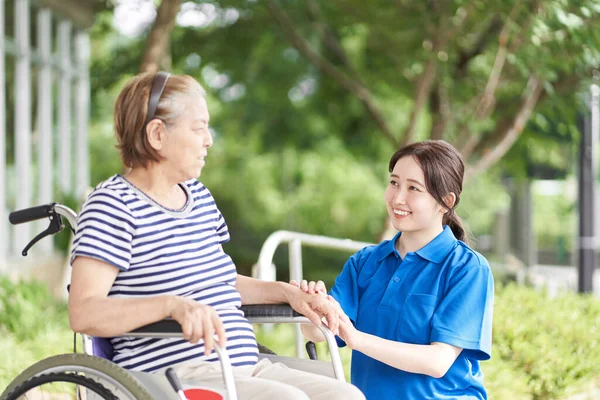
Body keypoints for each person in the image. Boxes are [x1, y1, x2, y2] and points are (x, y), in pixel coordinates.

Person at [67, 71, 364, 400]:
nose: (208, 139)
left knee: (346, 395)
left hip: (243, 367)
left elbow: (220, 282)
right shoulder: (113, 205)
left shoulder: (198, 196)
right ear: (157, 134)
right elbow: (84, 312)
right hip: (175, 376)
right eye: (198, 128)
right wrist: (171, 306)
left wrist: (287, 292)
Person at [297, 140, 494, 399]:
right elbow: (318, 333)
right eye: (394, 183)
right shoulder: (364, 263)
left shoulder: (467, 269)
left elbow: (438, 361)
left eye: (414, 188)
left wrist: (358, 339)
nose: (397, 198)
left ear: (445, 202)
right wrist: (311, 305)